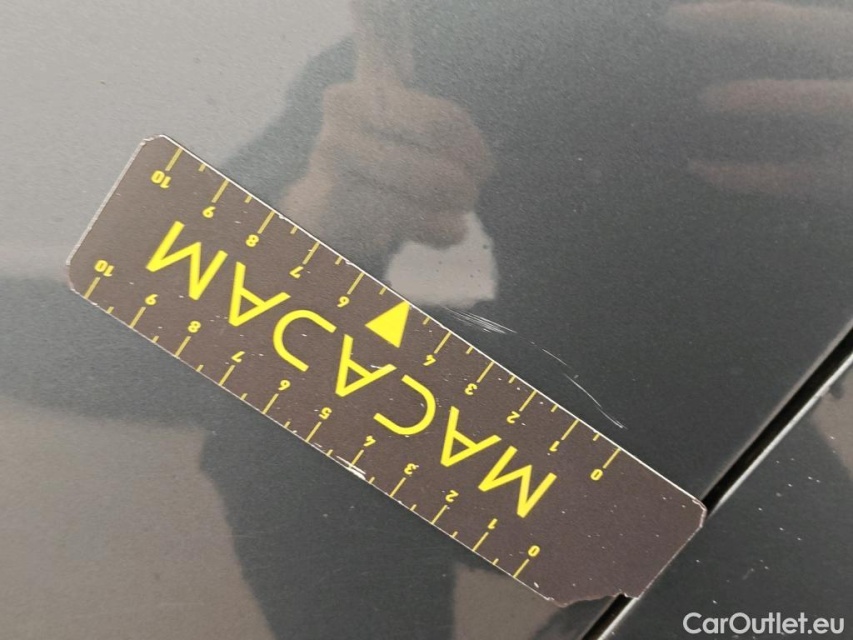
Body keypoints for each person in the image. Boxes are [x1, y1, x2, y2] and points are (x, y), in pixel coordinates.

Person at [201, 1, 853, 637]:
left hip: (744, 452)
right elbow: (144, 323)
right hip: (572, 428)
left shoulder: (465, 33)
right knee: (293, 378)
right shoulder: (446, 39)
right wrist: (311, 224)